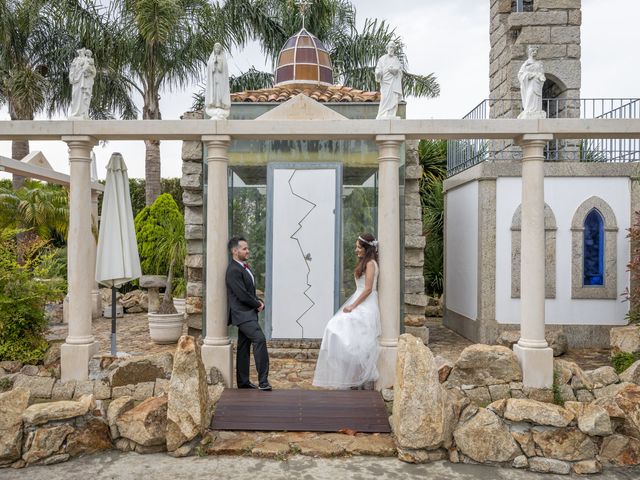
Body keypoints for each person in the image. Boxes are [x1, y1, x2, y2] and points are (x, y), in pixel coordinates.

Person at [313, 233, 381, 389]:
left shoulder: (371, 264)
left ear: (366, 248)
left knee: (349, 333)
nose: (356, 249)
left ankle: (358, 376)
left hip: (365, 303)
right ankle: (352, 375)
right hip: (358, 299)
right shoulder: (365, 262)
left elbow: (369, 289)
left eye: (358, 247)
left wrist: (353, 306)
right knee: (335, 328)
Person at [226, 236, 272, 390]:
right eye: (244, 248)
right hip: (242, 314)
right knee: (259, 339)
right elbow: (241, 294)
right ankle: (263, 382)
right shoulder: (233, 270)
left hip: (248, 313)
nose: (248, 251)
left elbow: (248, 291)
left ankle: (243, 383)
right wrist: (258, 303)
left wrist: (257, 301)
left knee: (243, 347)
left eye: (247, 248)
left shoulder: (244, 267)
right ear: (234, 251)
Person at [375, 43, 403, 119]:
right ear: (387, 48)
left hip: (394, 83)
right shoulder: (382, 59)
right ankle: (383, 114)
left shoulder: (396, 59)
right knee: (385, 98)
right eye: (390, 47)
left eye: (393, 48)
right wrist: (378, 73)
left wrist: (393, 70)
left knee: (394, 98)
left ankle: (391, 114)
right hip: (385, 83)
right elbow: (378, 69)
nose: (391, 49)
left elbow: (399, 71)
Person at [517, 45, 547, 119]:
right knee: (530, 95)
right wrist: (529, 75)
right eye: (533, 51)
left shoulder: (539, 63)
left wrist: (541, 76)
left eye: (536, 51)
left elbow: (541, 72)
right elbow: (520, 74)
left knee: (537, 97)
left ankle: (537, 111)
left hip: (537, 83)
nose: (535, 52)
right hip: (530, 83)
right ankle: (529, 110)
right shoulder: (526, 64)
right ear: (530, 52)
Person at [68, 48, 96, 120]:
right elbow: (72, 70)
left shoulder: (88, 60)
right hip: (76, 81)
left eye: (82, 52)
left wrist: (89, 71)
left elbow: (93, 72)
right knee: (75, 95)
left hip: (84, 80)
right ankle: (75, 113)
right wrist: (73, 76)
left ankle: (83, 113)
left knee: (83, 96)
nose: (81, 53)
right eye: (79, 52)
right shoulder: (75, 60)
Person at [205, 42, 231, 119]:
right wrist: (213, 62)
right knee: (214, 92)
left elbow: (221, 69)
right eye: (216, 48)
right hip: (213, 80)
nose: (217, 50)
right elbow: (210, 68)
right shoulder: (211, 58)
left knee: (219, 92)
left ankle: (220, 104)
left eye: (218, 48)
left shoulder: (223, 59)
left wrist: (218, 62)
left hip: (220, 79)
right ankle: (214, 104)